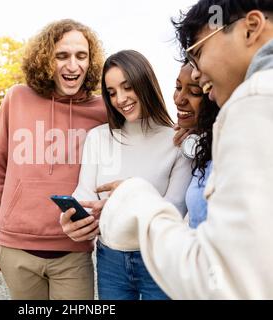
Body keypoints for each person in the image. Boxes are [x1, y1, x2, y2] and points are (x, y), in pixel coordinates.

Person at [88, 0, 273, 299]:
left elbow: (226, 281)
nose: (196, 73)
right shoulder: (195, 136)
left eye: (198, 53)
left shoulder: (255, 102)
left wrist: (135, 197)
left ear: (250, 28)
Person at [0, 19, 107, 300]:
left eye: (81, 56)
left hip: (73, 253)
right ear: (46, 60)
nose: (72, 66)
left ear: (90, 61)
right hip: (15, 251)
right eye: (62, 56)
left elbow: (146, 129)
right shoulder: (17, 98)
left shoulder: (104, 109)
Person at [60, 50, 192, 300]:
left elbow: (174, 210)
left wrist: (121, 203)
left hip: (160, 257)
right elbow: (85, 195)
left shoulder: (176, 140)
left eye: (127, 87)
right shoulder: (98, 138)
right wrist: (71, 219)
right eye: (111, 92)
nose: (120, 99)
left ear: (145, 83)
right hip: (111, 261)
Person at [174, 62, 219, 228]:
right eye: (178, 87)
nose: (179, 99)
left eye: (194, 92)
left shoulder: (225, 152)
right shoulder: (201, 142)